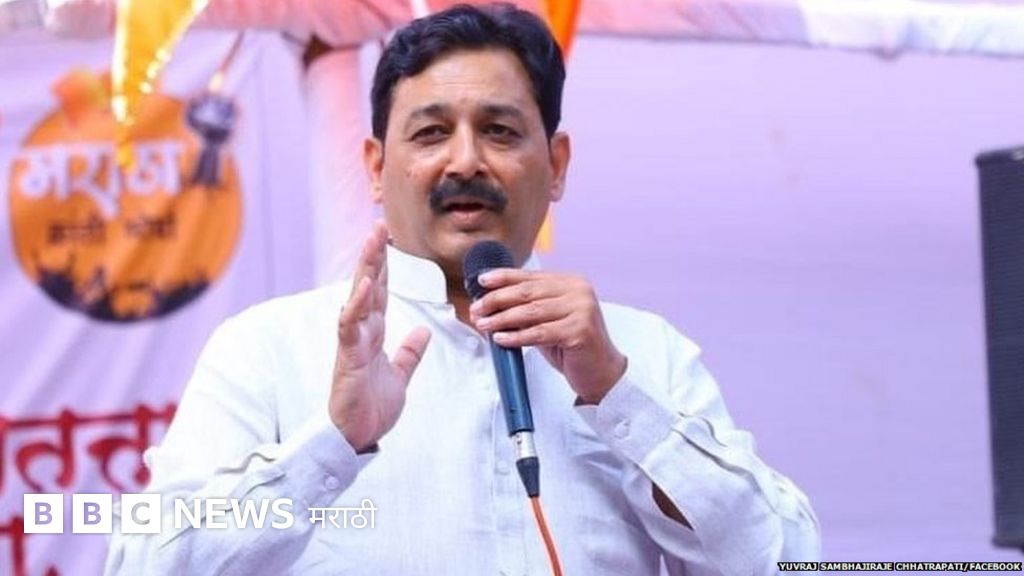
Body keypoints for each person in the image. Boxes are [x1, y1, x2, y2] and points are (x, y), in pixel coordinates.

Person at [104, 4, 820, 575]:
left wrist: (618, 398)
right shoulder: (269, 349)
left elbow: (786, 561)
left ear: (557, 165)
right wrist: (332, 445)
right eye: (431, 133)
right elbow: (143, 563)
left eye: (500, 131)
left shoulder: (641, 352)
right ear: (375, 168)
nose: (466, 160)